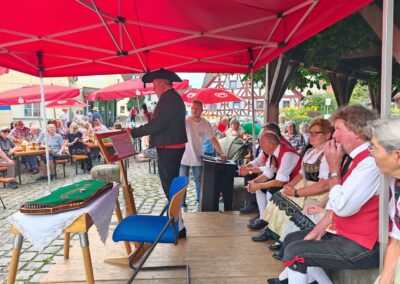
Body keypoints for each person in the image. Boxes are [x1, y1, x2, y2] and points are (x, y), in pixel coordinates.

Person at [272, 105, 380, 284]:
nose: (334, 135)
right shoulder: (355, 158)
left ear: (358, 133)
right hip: (348, 234)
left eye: (338, 129)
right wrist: (318, 229)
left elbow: (342, 207)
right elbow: (338, 205)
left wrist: (334, 169)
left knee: (295, 251)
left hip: (364, 244)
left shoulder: (369, 162)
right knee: (293, 240)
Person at [251, 118, 332, 247]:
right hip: (304, 186)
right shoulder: (310, 152)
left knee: (291, 202)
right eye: (310, 133)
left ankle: (283, 239)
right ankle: (271, 229)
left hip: (318, 191)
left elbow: (324, 184)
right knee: (280, 195)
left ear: (327, 135)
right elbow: (301, 174)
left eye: (315, 133)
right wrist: (290, 186)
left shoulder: (328, 154)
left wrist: (296, 192)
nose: (311, 136)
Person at [128, 68, 187, 237]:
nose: (153, 88)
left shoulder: (168, 99)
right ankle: (178, 222)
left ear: (162, 83)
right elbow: (162, 123)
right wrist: (152, 118)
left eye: (154, 85)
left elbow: (158, 125)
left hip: (170, 148)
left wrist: (133, 132)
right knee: (171, 187)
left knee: (170, 188)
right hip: (172, 147)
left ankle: (178, 225)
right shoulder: (171, 99)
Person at [239, 131, 301, 230]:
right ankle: (263, 218)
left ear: (271, 144)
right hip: (286, 182)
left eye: (262, 144)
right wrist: (254, 183)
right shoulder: (272, 153)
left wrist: (257, 185)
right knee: (261, 188)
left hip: (296, 184)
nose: (261, 147)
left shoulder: (287, 154)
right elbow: (268, 173)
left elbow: (279, 182)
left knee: (270, 191)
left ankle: (271, 225)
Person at [366, 119, 400, 284]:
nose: (371, 153)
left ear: (397, 155)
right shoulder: (395, 182)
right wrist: (385, 279)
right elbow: (397, 240)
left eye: (374, 148)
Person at [180, 100, 227, 209]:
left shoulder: (205, 123)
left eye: (196, 108)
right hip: (183, 157)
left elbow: (213, 139)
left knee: (199, 182)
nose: (194, 110)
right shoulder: (185, 121)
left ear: (202, 110)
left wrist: (221, 153)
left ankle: (199, 202)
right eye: (192, 108)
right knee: (182, 182)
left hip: (197, 157)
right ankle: (182, 204)